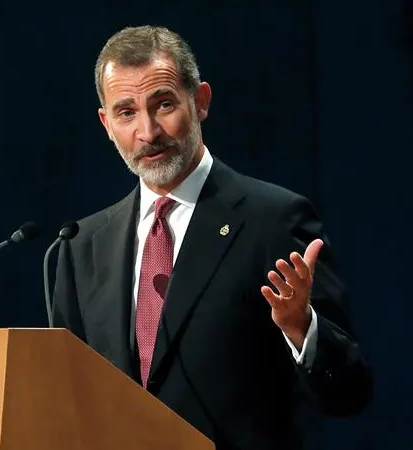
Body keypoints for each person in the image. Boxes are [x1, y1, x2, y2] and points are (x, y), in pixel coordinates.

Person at [51, 25, 373, 450]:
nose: (148, 132)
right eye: (126, 112)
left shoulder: (273, 220)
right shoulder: (81, 246)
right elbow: (67, 402)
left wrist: (301, 329)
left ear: (200, 101)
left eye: (163, 104)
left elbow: (349, 393)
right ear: (106, 123)